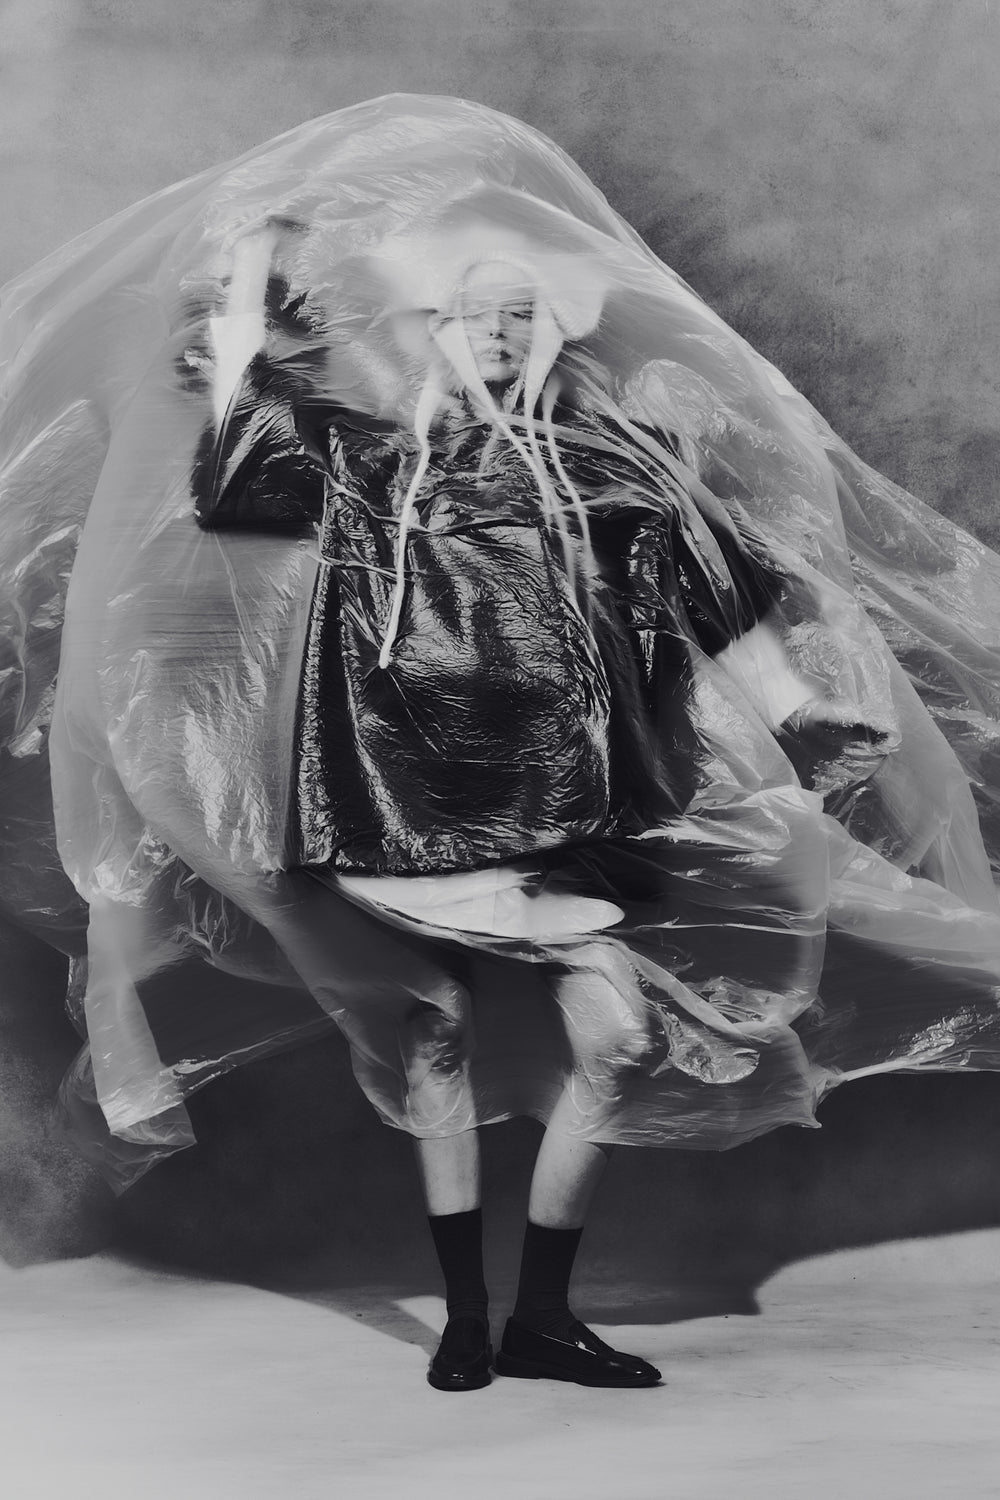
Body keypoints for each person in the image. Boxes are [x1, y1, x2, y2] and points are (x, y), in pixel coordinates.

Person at [5, 94, 1000, 1394]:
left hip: (567, 814)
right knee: (431, 1033)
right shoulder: (376, 459)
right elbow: (239, 467)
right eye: (476, 315)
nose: (499, 333)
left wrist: (795, 709)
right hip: (400, 812)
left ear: (549, 332)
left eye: (521, 314)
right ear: (438, 334)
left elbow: (714, 589)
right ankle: (473, 1321)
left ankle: (535, 1314)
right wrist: (247, 302)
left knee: (613, 1041)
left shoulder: (615, 461)